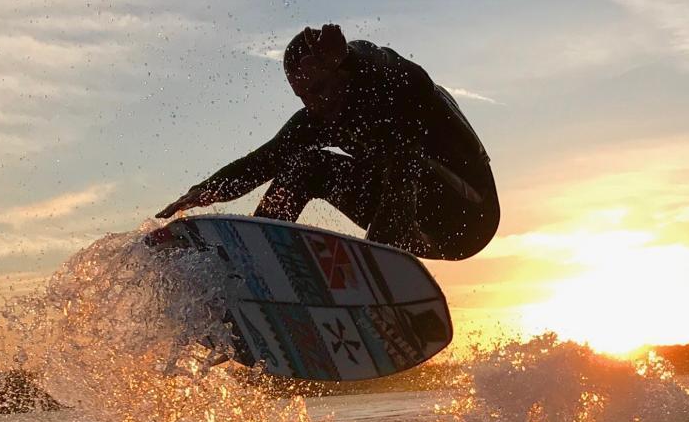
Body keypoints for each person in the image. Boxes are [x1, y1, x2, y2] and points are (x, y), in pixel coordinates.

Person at [158, 24, 499, 261]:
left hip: (467, 214)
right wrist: (204, 191)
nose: (314, 104)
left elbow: (415, 78)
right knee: (305, 167)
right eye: (303, 95)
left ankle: (374, 267)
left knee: (400, 154)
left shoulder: (393, 89)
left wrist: (350, 56)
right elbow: (265, 161)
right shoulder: (319, 118)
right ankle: (254, 257)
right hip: (408, 226)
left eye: (319, 89)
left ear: (342, 71)